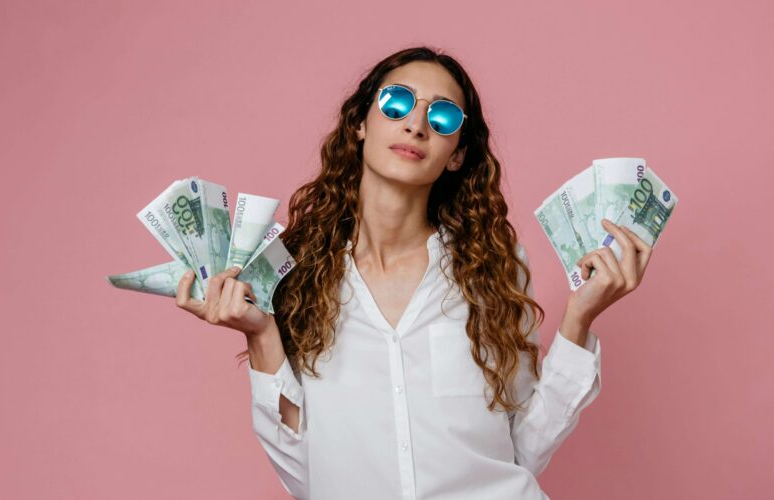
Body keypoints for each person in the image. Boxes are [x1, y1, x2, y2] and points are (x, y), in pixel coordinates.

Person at [174, 46, 653, 500]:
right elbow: (308, 476)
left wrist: (579, 319)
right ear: (361, 122)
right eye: (397, 102)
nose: (416, 125)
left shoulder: (494, 268)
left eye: (442, 116)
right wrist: (260, 335)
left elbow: (524, 447)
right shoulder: (297, 272)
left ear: (458, 153)